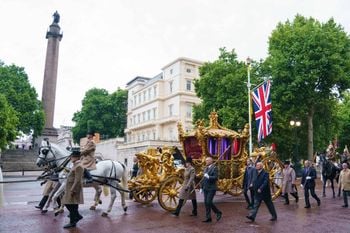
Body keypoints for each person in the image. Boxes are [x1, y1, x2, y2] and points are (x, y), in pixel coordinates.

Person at [61, 150, 84, 229]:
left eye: (72, 156)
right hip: (70, 187)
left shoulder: (79, 166)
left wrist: (72, 189)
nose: (71, 158)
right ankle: (74, 220)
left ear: (77, 157)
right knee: (72, 205)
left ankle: (74, 219)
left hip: (74, 188)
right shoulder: (75, 165)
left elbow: (78, 180)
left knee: (68, 203)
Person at [200, 156, 222, 223]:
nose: (206, 161)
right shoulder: (205, 168)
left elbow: (216, 177)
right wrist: (201, 187)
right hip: (205, 188)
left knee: (209, 202)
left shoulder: (214, 168)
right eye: (206, 160)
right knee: (206, 203)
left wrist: (209, 177)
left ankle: (218, 212)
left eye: (207, 160)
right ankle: (208, 217)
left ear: (211, 161)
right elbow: (203, 179)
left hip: (212, 188)